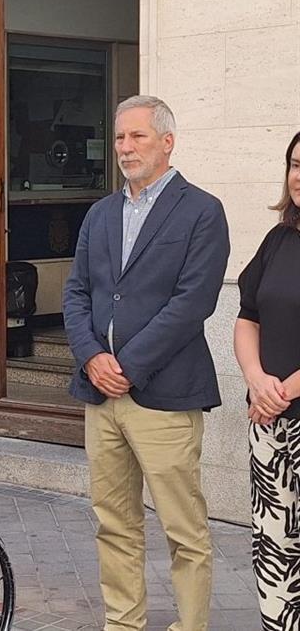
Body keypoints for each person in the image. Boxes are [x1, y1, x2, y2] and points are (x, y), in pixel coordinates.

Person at [63, 95, 229, 631]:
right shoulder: (100, 212)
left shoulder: (202, 211)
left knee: (184, 530)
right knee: (113, 523)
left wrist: (127, 365)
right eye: (119, 138)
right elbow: (76, 294)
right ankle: (123, 623)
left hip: (164, 395)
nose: (125, 148)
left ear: (167, 141)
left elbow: (192, 303)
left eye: (137, 137)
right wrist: (92, 358)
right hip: (101, 396)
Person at [233, 130, 300, 630]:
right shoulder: (278, 240)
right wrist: (257, 379)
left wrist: (282, 392)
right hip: (270, 424)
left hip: (281, 407)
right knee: (275, 547)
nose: (299, 176)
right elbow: (246, 316)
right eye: (295, 165)